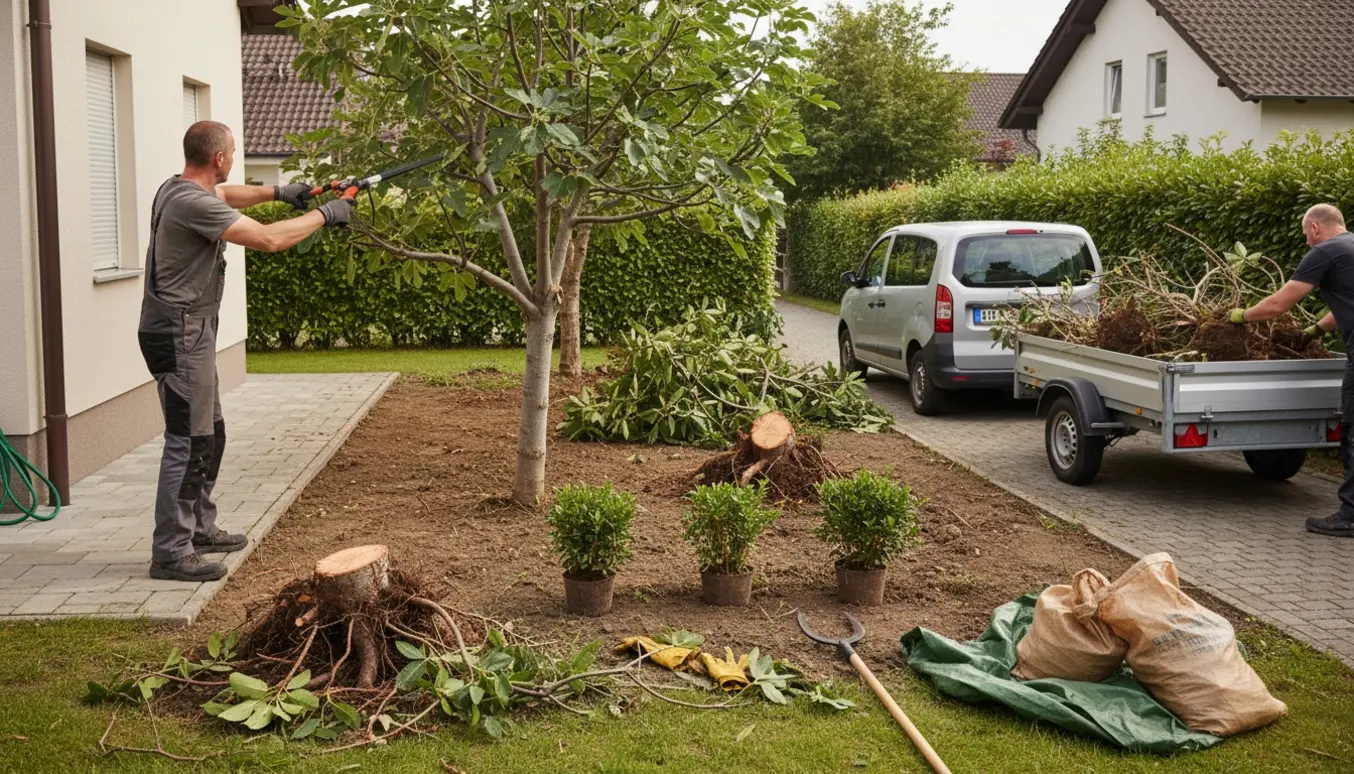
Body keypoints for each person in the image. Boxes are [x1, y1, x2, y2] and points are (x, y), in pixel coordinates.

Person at [140, 121, 353, 581]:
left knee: (210, 433)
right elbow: (270, 240)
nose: (234, 158)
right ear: (219, 157)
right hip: (179, 334)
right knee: (189, 440)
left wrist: (280, 193)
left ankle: (198, 529)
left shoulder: (179, 188)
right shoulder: (192, 202)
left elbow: (228, 195)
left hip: (187, 330)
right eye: (233, 152)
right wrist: (327, 214)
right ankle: (170, 552)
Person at [1228, 203, 1354, 537]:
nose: (1307, 243)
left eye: (1306, 235)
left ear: (1315, 227)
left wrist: (1242, 316)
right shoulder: (1350, 248)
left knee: (1352, 434)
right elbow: (1345, 302)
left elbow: (1277, 305)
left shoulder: (1325, 251)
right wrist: (1317, 330)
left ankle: (1350, 516)